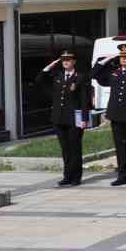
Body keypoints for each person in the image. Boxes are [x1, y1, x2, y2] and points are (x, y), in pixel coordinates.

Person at [37, 49, 91, 187]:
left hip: (74, 119)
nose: (65, 62)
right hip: (59, 118)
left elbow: (85, 99)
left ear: (74, 61)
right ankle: (67, 176)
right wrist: (50, 66)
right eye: (63, 60)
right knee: (65, 149)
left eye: (68, 60)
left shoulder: (80, 77)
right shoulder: (58, 75)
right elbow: (39, 80)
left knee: (75, 148)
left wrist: (85, 118)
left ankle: (76, 177)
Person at [93, 45, 126, 186]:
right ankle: (122, 175)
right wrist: (106, 60)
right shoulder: (113, 73)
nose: (123, 59)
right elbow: (94, 74)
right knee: (120, 146)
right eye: (121, 57)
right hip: (116, 115)